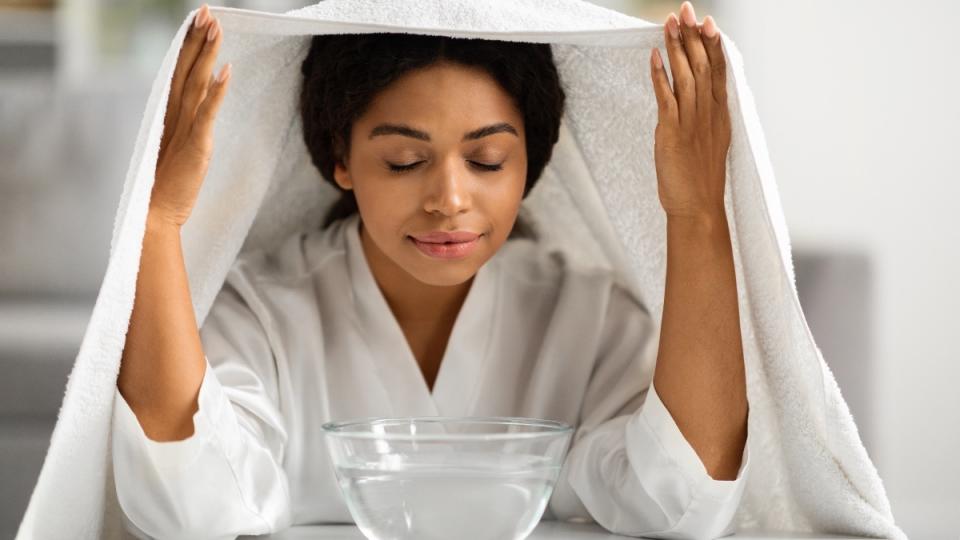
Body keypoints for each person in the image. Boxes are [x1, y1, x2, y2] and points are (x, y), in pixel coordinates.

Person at [112, 2, 750, 539]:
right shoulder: (263, 313)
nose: (449, 199)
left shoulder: (591, 320)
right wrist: (158, 220)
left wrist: (697, 216)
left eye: (489, 159)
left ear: (531, 162)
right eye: (403, 161)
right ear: (341, 158)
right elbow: (191, 505)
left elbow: (679, 500)